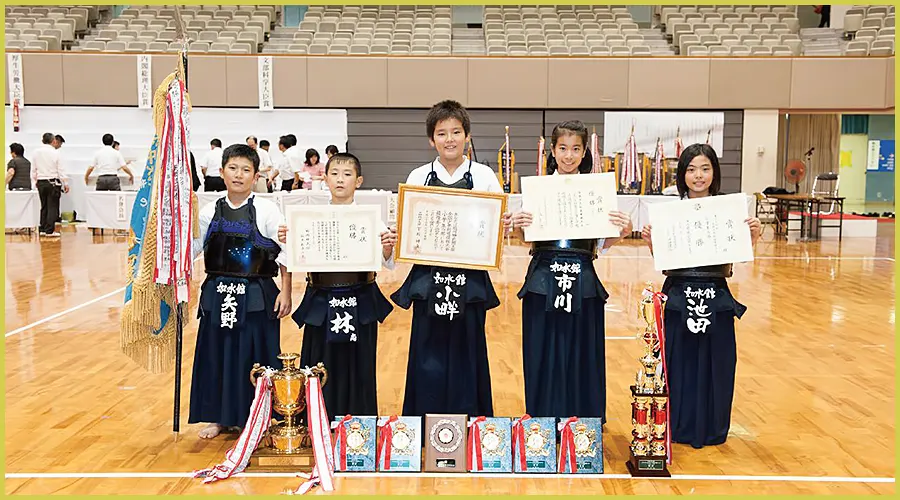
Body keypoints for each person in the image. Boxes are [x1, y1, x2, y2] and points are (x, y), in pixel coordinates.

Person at [503, 120, 632, 423]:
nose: (569, 156)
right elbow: (527, 240)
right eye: (563, 148)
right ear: (553, 150)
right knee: (542, 351)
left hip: (584, 278)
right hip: (543, 278)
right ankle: (543, 421)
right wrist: (519, 225)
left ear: (585, 151)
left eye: (576, 149)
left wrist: (623, 231)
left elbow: (601, 243)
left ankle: (583, 422)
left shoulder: (596, 191)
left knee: (582, 352)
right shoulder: (537, 189)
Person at [640, 143, 761, 449]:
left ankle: (713, 426)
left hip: (716, 294)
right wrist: (653, 243)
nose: (698, 176)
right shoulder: (671, 211)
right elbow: (665, 262)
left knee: (717, 362)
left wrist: (753, 237)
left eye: (705, 168)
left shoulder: (728, 210)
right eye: (691, 169)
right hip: (679, 294)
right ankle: (678, 425)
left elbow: (739, 258)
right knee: (678, 362)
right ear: (682, 174)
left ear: (714, 173)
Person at [392, 99, 501, 417]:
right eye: (442, 133)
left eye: (456, 132)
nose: (450, 139)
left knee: (469, 348)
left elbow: (492, 228)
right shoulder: (418, 177)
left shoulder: (483, 177)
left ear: (467, 136)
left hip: (470, 281)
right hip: (428, 280)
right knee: (427, 349)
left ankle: (471, 418)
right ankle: (424, 418)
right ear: (431, 139)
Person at [278, 152, 396, 420]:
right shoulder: (307, 219)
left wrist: (388, 246)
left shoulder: (371, 220)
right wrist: (287, 238)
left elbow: (385, 262)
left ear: (359, 180)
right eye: (334, 174)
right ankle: (317, 421)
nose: (340, 179)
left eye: (347, 174)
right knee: (319, 361)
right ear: (324, 178)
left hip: (360, 297)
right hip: (321, 298)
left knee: (360, 361)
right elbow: (289, 258)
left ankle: (360, 424)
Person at [188, 143, 292, 439]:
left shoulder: (267, 209)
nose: (238, 175)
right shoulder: (210, 210)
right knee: (216, 355)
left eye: (246, 170)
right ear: (221, 172)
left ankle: (258, 416)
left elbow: (286, 251)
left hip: (257, 295)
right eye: (232, 168)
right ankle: (218, 417)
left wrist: (286, 291)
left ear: (256, 175)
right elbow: (195, 249)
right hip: (218, 293)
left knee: (255, 357)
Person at [31, 132, 69, 237]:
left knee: (44, 206)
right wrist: (65, 183)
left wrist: (34, 182)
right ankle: (50, 230)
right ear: (54, 141)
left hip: (41, 182)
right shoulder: (56, 153)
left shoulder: (35, 152)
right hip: (53, 182)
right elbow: (61, 170)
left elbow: (33, 169)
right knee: (52, 206)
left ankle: (42, 228)